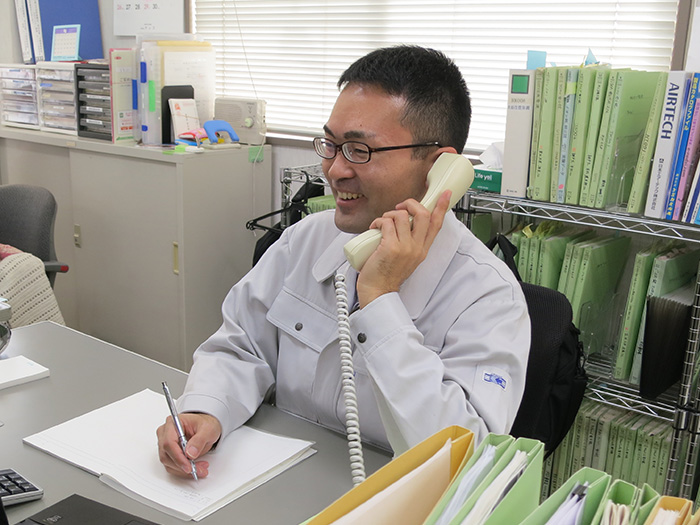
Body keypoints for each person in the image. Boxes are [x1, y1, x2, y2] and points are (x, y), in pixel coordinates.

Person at [157, 45, 530, 479]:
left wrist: (379, 300)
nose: (333, 170)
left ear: (438, 168)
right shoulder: (306, 240)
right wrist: (207, 408)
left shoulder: (489, 297)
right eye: (330, 145)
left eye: (358, 150)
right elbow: (241, 344)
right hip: (281, 481)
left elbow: (466, 459)